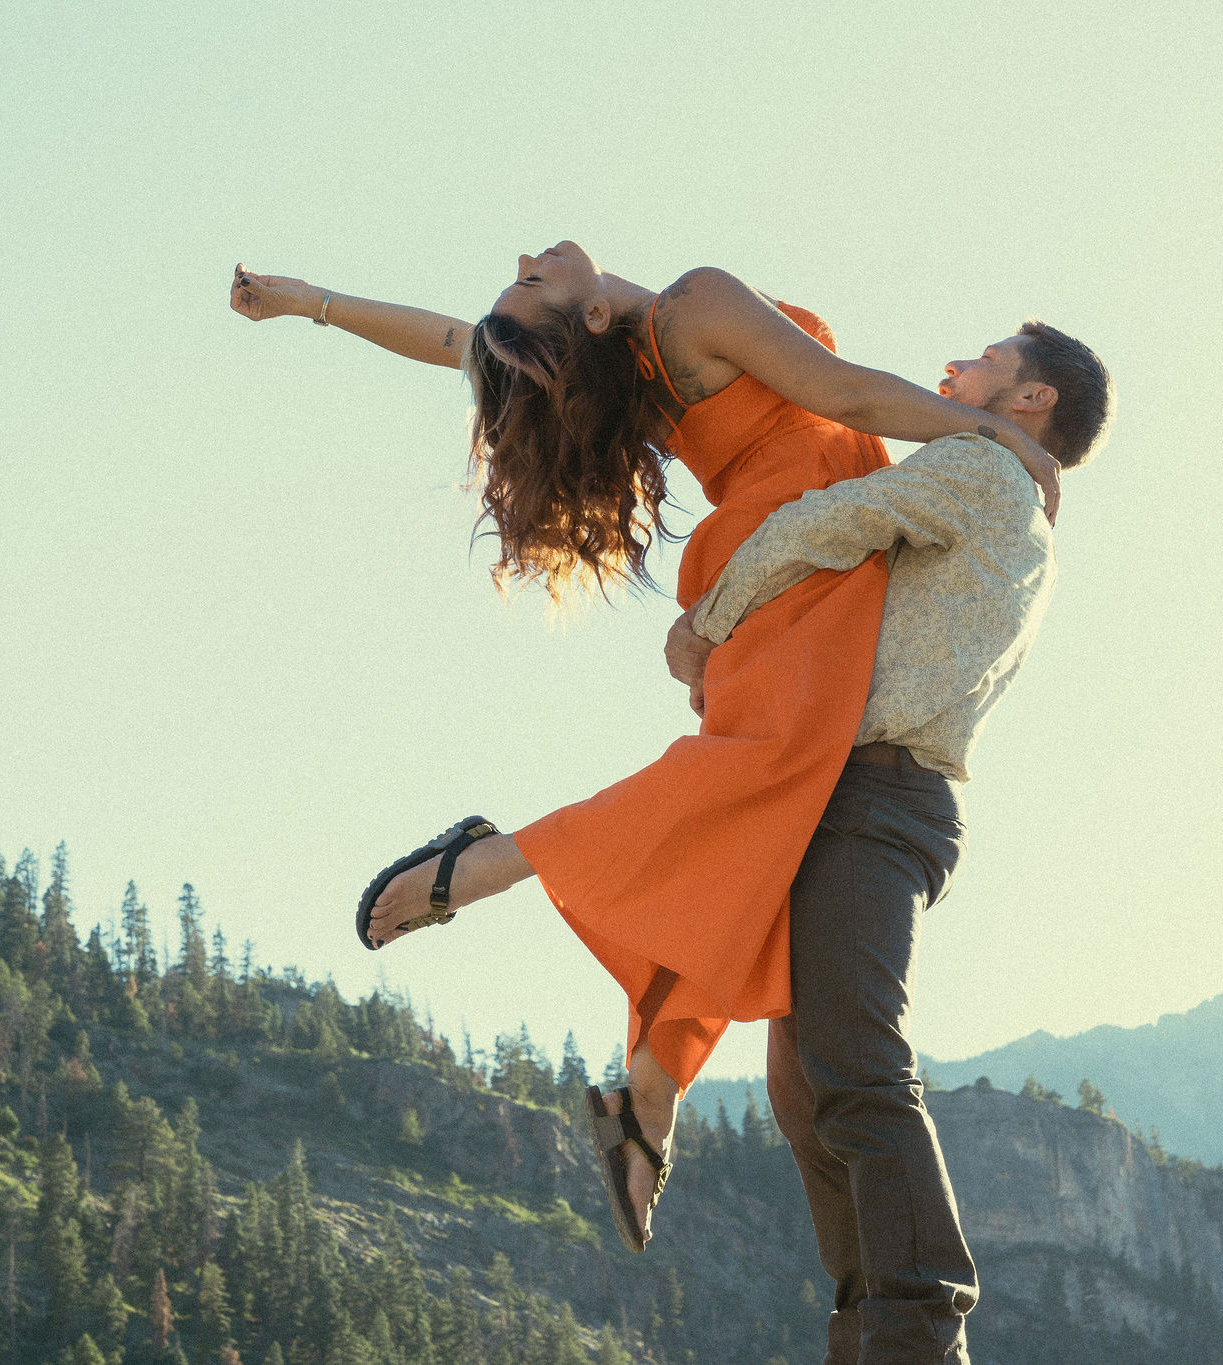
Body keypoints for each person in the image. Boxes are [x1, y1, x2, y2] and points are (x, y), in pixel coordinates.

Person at [228, 246, 1059, 1251]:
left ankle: (648, 1104)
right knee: (751, 793)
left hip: (804, 558)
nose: (527, 258)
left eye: (522, 278)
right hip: (795, 556)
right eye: (534, 286)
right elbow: (840, 391)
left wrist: (308, 303)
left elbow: (459, 342)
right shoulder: (692, 307)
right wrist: (1004, 439)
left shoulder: (619, 357)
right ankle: (490, 863)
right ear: (581, 320)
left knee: (745, 843)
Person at [664, 321, 1114, 1364]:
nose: (956, 363)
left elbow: (826, 521)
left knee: (854, 1065)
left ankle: (917, 1331)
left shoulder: (973, 467)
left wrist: (706, 625)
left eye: (987, 357)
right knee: (802, 1084)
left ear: (1031, 399)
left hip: (873, 796)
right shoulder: (1003, 487)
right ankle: (867, 1326)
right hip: (860, 796)